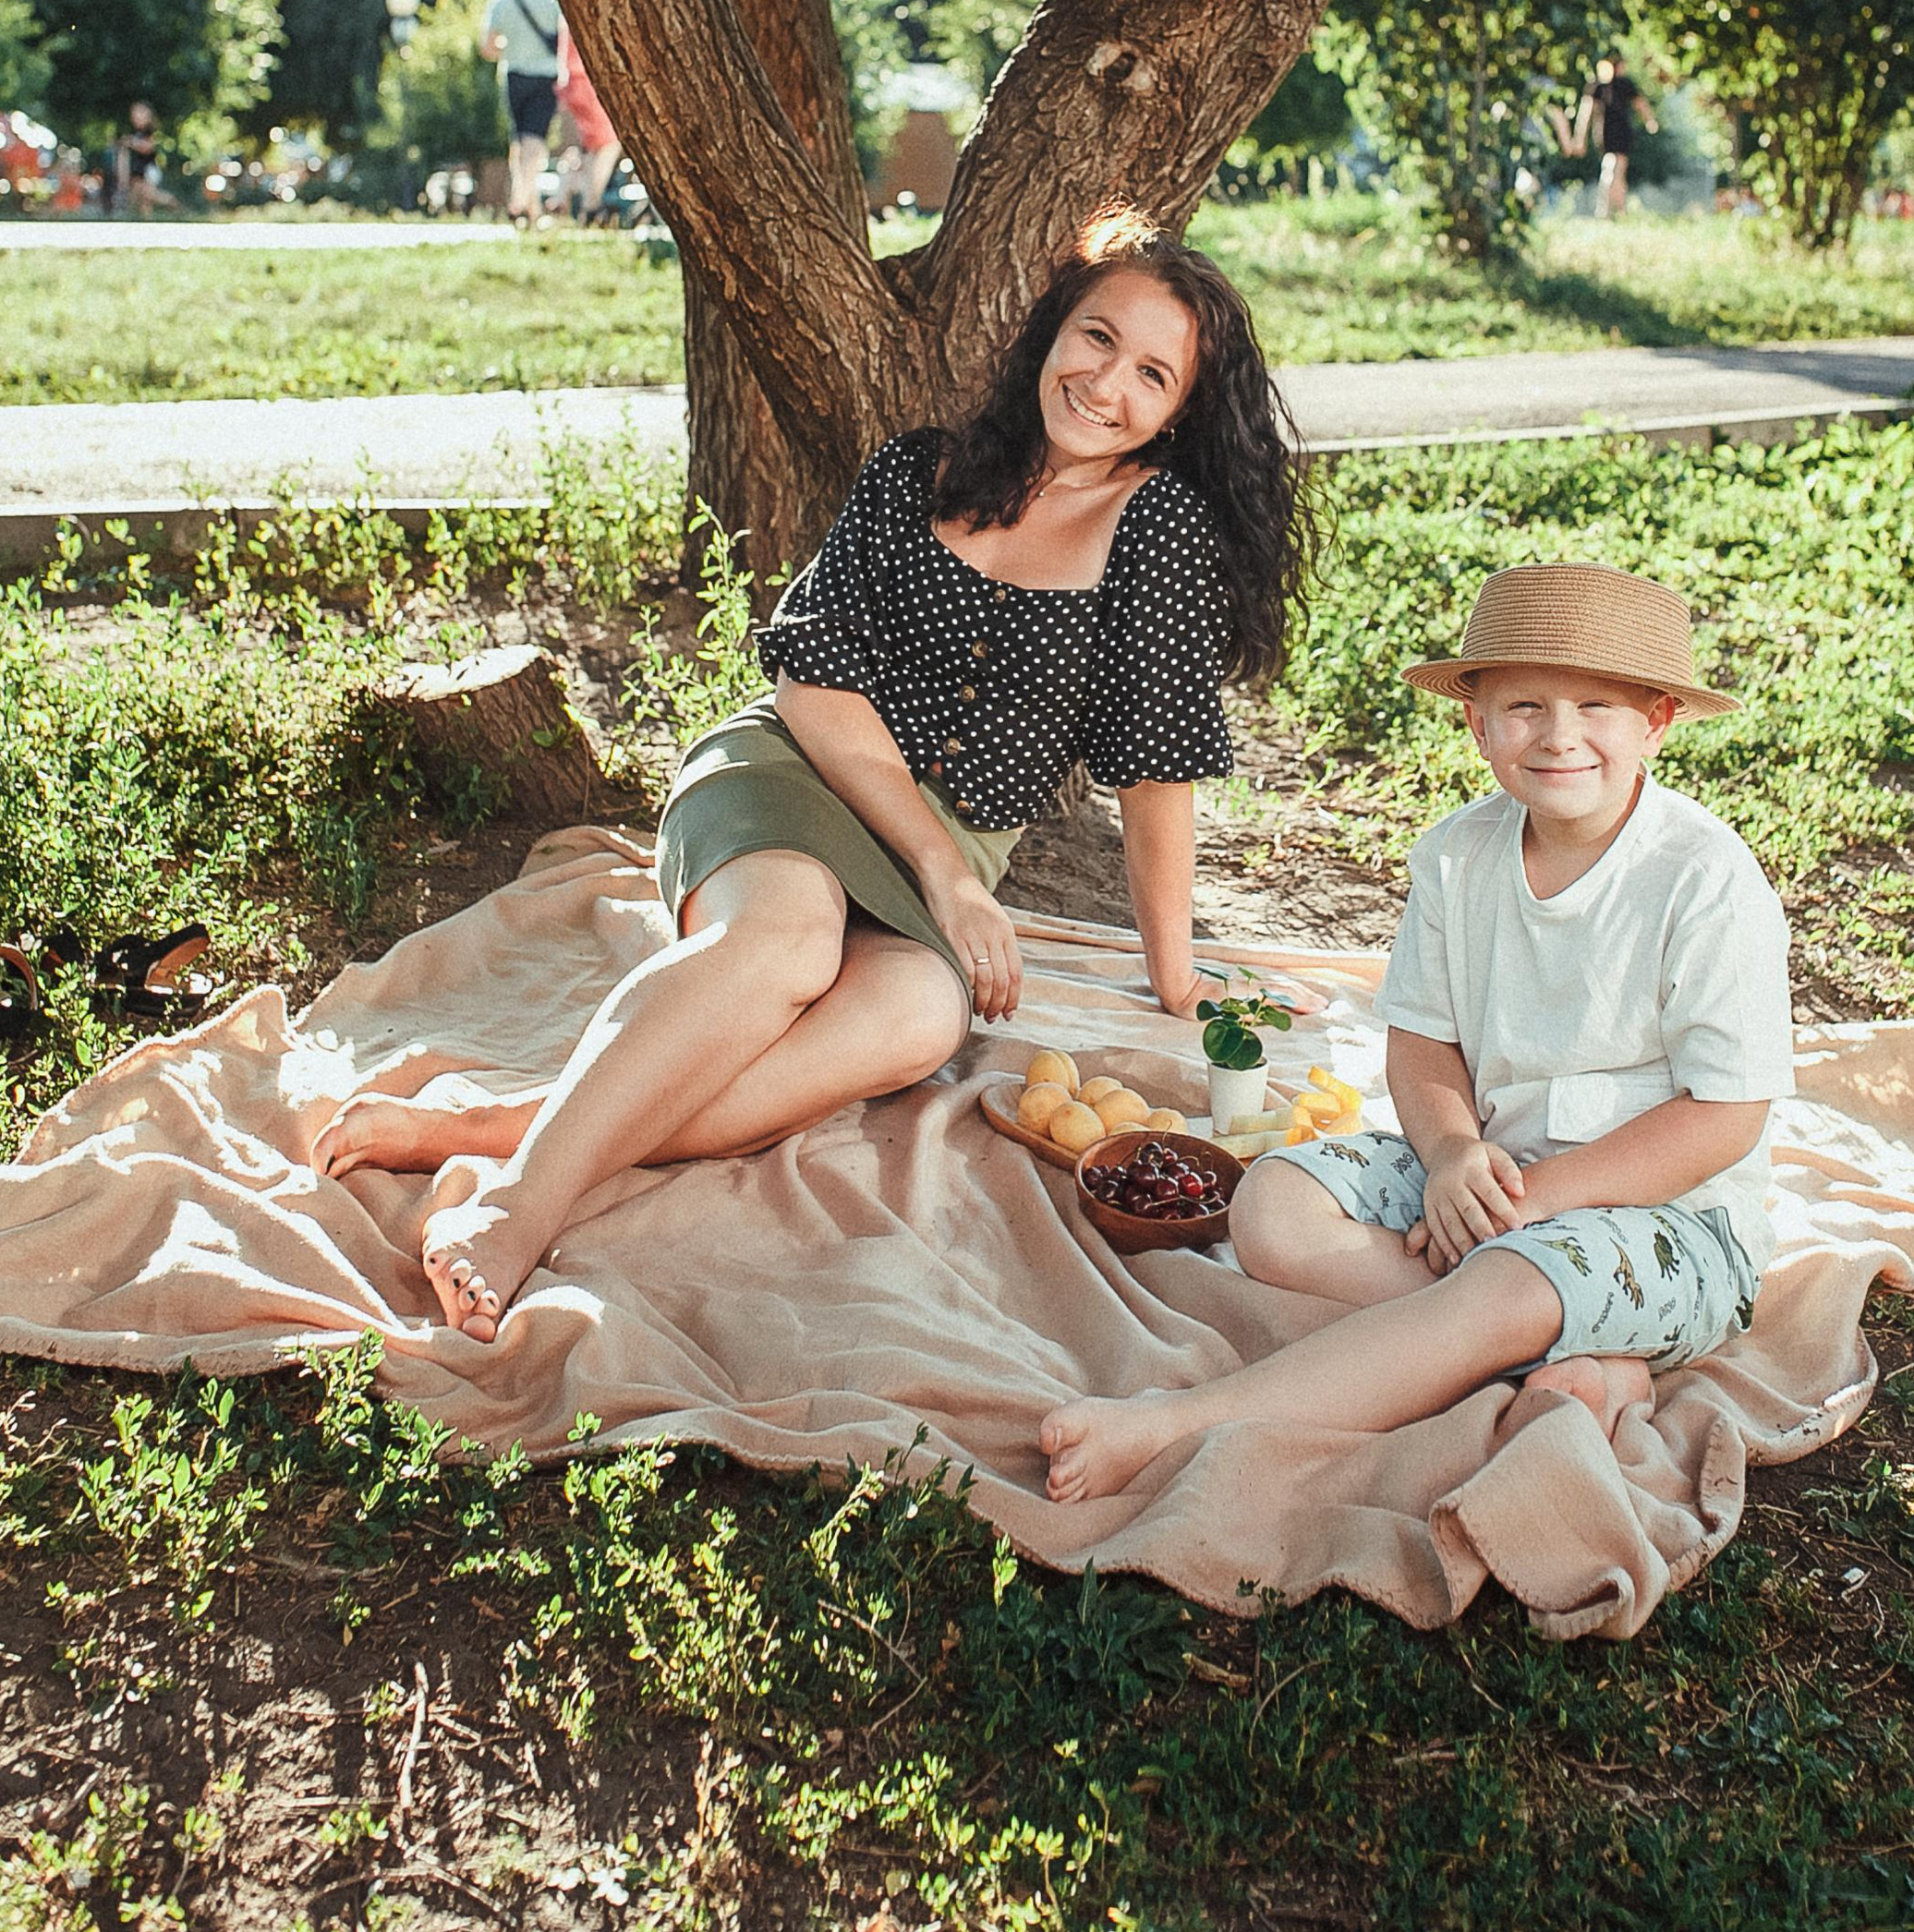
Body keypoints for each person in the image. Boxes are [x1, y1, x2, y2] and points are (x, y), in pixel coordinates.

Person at [312, 214, 1315, 1342]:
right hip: (792, 773)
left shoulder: (1155, 533)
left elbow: (1156, 761)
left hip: (949, 846)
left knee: (915, 1020)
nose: (1104, 383)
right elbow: (814, 681)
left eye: (1151, 373)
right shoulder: (915, 471)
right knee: (785, 945)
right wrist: (944, 874)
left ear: (1179, 411)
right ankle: (516, 1209)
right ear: (1050, 331)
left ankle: (509, 1124)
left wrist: (1175, 977)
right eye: (1095, 337)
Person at [1039, 559, 1794, 1504]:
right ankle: (1578, 1355)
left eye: (1596, 708)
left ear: (1656, 721)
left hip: (1673, 1222)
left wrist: (1535, 1206)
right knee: (1271, 1205)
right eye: (1524, 706)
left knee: (1511, 1281)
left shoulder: (1705, 881)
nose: (1559, 736)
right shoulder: (1456, 855)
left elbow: (1723, 1118)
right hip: (1490, 1173)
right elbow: (1423, 1043)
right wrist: (1447, 1157)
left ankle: (1176, 1425)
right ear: (1474, 722)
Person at [479, 0, 563, 225]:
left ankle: (531, 209)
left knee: (519, 142)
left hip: (513, 74)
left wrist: (512, 46)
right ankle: (518, 200)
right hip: (547, 76)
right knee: (535, 142)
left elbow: (487, 48)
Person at [553, 24, 620, 224]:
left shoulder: (567, 13)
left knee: (593, 148)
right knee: (610, 143)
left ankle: (583, 203)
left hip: (572, 82)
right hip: (589, 83)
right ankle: (591, 205)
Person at [1584, 53, 1655, 218]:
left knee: (1610, 169)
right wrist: (1650, 122)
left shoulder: (1600, 85)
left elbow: (1587, 112)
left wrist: (1581, 137)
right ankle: (1617, 209)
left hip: (1604, 134)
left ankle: (1608, 209)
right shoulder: (1619, 84)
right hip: (1617, 133)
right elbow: (1641, 104)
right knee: (1617, 171)